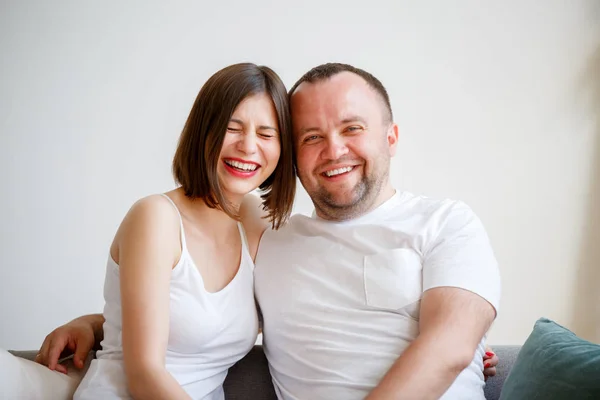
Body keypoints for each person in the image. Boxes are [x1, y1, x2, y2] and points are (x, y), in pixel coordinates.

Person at [33, 63, 500, 399]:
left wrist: (462, 340)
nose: (334, 150)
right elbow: (162, 340)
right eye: (312, 136)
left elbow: (449, 348)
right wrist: (96, 326)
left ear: (390, 138)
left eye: (352, 128)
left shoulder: (444, 222)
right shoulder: (223, 229)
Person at [2, 62, 297, 400]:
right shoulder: (156, 217)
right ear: (204, 131)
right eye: (233, 128)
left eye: (266, 134)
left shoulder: (256, 223)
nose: (248, 146)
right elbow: (145, 373)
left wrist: (94, 323)